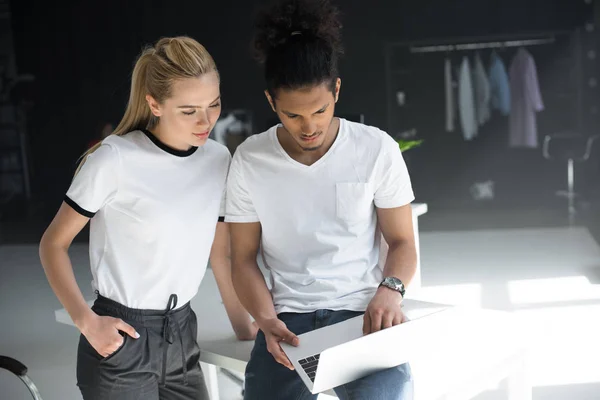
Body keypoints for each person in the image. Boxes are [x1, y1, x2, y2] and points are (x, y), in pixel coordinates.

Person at [39, 36, 256, 400]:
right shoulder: (113, 159)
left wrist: (246, 330)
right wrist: (87, 322)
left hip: (183, 333)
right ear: (154, 103)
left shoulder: (218, 159)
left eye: (214, 104)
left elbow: (222, 255)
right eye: (189, 111)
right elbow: (53, 244)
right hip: (123, 339)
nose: (206, 120)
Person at [226, 1, 417, 399]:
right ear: (271, 101)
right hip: (288, 321)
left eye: (320, 110)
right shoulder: (249, 159)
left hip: (363, 316)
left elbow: (402, 242)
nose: (309, 126)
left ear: (337, 90)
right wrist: (265, 319)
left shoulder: (376, 149)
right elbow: (241, 258)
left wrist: (391, 289)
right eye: (293, 116)